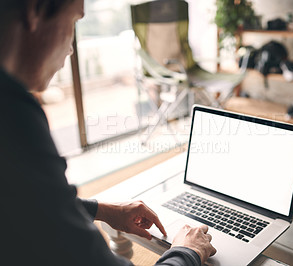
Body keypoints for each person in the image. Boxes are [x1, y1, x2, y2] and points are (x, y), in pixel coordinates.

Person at [0, 0, 216, 265]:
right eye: (74, 21)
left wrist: (101, 210)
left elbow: (28, 206)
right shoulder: (13, 117)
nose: (70, 49)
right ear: (35, 11)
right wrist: (188, 251)